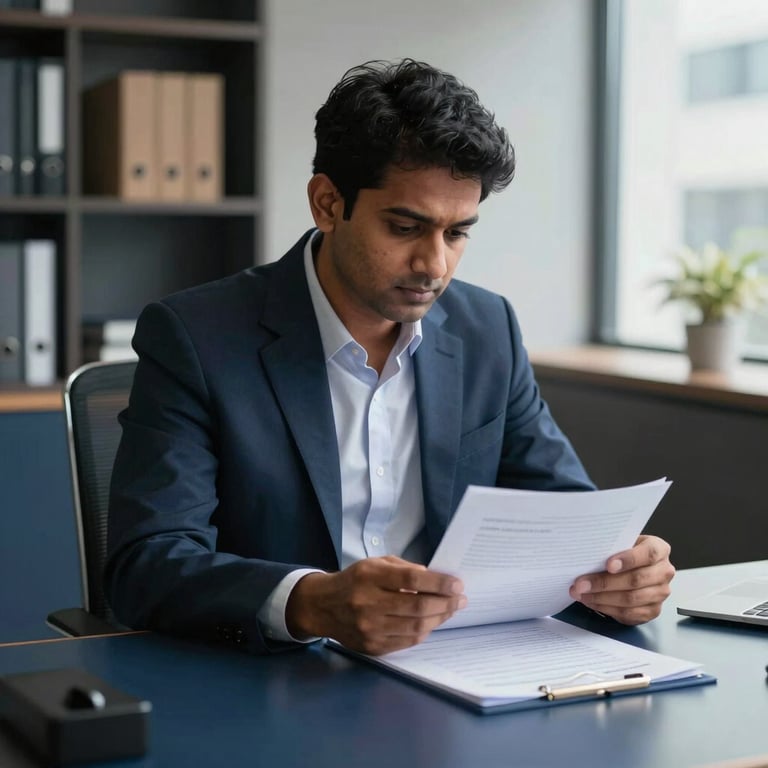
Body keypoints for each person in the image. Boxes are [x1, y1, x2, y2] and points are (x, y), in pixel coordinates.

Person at [106, 59, 674, 656]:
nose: (435, 265)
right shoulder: (196, 337)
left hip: (461, 668)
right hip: (280, 677)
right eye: (406, 227)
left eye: (457, 233)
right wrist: (312, 601)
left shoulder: (487, 329)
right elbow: (146, 562)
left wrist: (623, 570)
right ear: (327, 204)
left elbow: (567, 515)